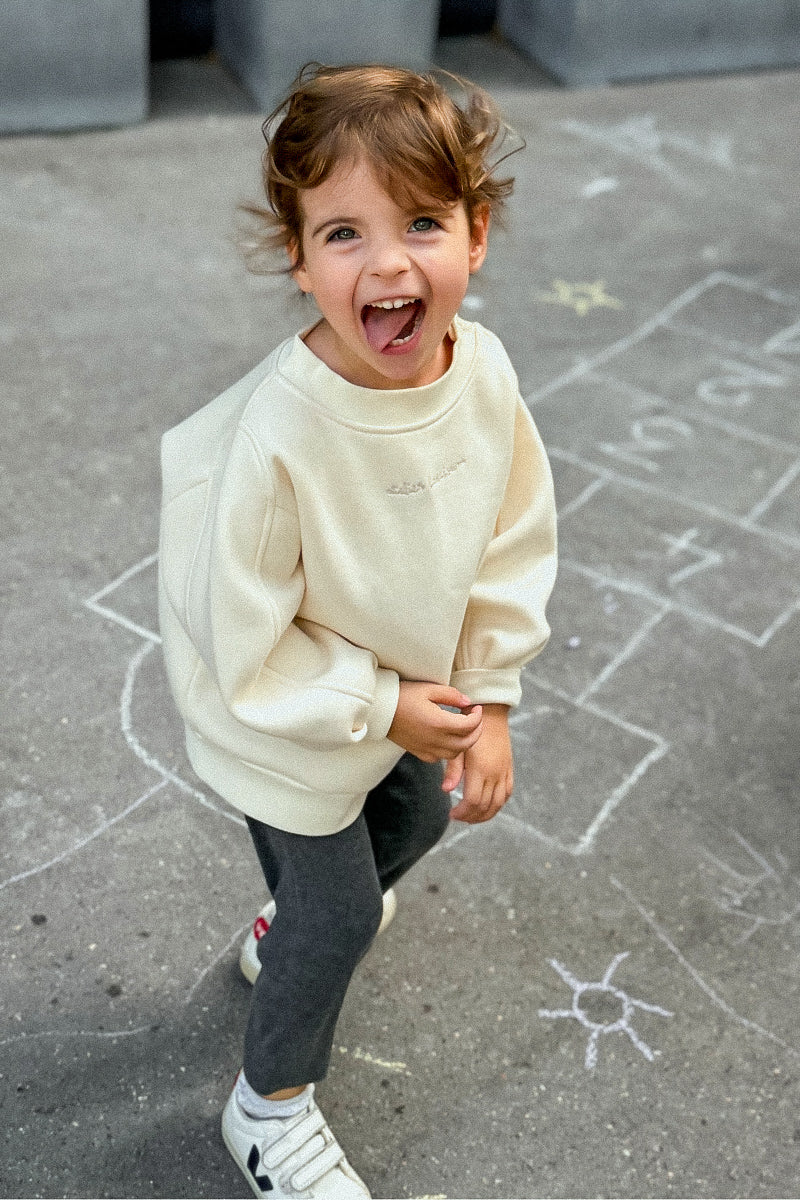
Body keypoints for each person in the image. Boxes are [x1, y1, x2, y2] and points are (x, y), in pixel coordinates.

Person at [158, 62, 557, 1200]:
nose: (387, 264)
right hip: (279, 711)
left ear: (476, 234)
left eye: (421, 222)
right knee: (337, 916)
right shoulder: (278, 437)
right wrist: (379, 704)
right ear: (297, 258)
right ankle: (266, 1109)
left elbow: (511, 537)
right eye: (343, 233)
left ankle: (285, 932)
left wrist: (490, 697)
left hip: (399, 685)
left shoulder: (483, 374)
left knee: (416, 818)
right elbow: (240, 635)